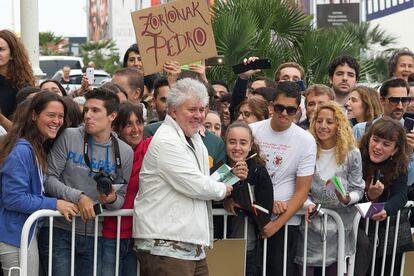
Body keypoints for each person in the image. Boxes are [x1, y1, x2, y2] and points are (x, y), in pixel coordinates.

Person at [133, 78, 233, 276]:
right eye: (192, 110)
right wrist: (223, 188)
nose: (199, 115)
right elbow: (195, 185)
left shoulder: (195, 138)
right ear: (173, 111)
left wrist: (226, 178)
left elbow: (200, 180)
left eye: (202, 109)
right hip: (165, 246)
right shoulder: (167, 141)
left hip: (189, 245)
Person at [38, 87, 133, 276]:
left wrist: (111, 199)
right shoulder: (69, 136)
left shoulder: (124, 152)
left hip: (94, 234)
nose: (88, 115)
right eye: (86, 110)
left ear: (112, 116)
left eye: (95, 111)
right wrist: (79, 197)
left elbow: (120, 199)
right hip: (59, 229)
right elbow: (48, 179)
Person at [0, 92, 78, 276]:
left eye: (60, 116)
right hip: (14, 236)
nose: (57, 121)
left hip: (23, 234)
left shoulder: (33, 147)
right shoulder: (22, 150)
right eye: (51, 115)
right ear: (34, 115)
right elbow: (13, 198)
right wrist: (55, 204)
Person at [249, 81, 316, 275]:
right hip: (251, 215)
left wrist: (275, 225)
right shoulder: (253, 131)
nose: (284, 113)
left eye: (290, 110)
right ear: (271, 105)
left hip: (285, 222)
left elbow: (303, 190)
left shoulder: (305, 140)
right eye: (279, 107)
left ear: (297, 111)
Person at [294, 101, 365, 275]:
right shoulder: (306, 149)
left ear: (339, 125)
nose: (323, 126)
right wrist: (308, 205)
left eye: (329, 122)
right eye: (319, 121)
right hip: (312, 221)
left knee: (335, 270)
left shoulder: (352, 153)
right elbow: (299, 187)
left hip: (342, 224)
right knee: (306, 268)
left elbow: (358, 188)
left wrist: (348, 198)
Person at [356, 117, 412, 275]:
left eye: (386, 144)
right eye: (375, 140)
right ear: (368, 139)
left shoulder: (399, 165)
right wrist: (369, 195)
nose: (378, 147)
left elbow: (401, 195)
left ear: (395, 149)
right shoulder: (356, 158)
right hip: (358, 232)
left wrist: (386, 209)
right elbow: (351, 198)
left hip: (389, 234)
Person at [101, 103, 152, 276]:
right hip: (110, 233)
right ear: (117, 128)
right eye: (128, 124)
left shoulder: (150, 148)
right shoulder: (108, 152)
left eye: (139, 122)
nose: (135, 129)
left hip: (139, 235)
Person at [223, 121, 273, 276]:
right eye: (232, 142)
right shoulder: (219, 167)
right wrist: (226, 198)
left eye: (243, 143)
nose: (237, 147)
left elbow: (266, 211)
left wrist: (244, 200)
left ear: (250, 145)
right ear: (225, 143)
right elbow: (207, 194)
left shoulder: (258, 171)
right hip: (218, 240)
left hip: (247, 244)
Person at [0, 29, 36, 122]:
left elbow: (23, 130)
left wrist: (1, 119)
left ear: (12, 54)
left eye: (1, 49)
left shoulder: (23, 87)